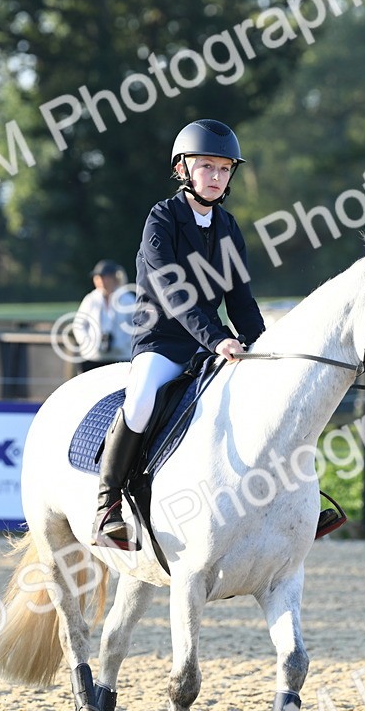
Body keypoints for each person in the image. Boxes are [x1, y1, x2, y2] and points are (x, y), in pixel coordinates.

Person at [94, 119, 267, 549]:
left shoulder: (228, 227)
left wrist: (263, 348)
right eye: (206, 166)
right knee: (139, 401)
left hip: (210, 343)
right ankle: (107, 507)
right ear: (183, 170)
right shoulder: (161, 219)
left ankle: (281, 501)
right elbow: (173, 292)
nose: (216, 176)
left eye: (225, 169)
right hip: (162, 340)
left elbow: (241, 300)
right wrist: (218, 338)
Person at [73, 259, 135, 373]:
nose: (100, 281)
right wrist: (87, 342)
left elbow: (137, 326)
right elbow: (78, 325)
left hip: (121, 358)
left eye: (104, 276)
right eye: (97, 277)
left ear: (114, 278)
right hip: (92, 357)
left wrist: (124, 343)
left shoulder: (128, 299)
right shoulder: (90, 299)